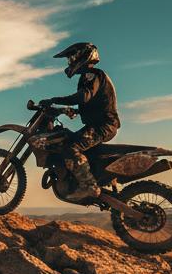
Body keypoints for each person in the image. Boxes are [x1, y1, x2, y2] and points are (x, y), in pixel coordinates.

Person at [40, 42, 119, 201]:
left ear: (84, 56)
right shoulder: (88, 77)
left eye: (72, 57)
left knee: (71, 148)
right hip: (100, 124)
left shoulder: (93, 75)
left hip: (103, 126)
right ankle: (92, 179)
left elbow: (84, 97)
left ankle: (89, 187)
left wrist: (55, 100)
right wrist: (70, 110)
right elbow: (90, 103)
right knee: (69, 140)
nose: (70, 62)